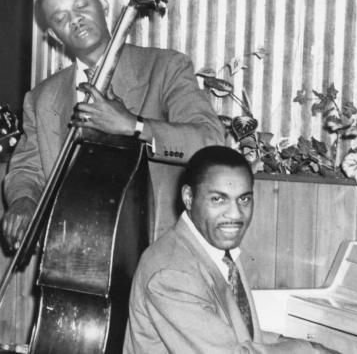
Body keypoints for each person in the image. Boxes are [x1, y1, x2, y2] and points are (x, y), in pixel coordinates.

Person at [1, 0, 224, 247]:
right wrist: (24, 200)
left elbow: (211, 141)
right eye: (60, 18)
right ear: (54, 36)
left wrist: (135, 126)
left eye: (81, 6)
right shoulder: (41, 98)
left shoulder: (165, 68)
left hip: (158, 248)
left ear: (104, 5)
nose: (75, 20)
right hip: (73, 252)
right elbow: (26, 168)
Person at [123, 146, 337, 353]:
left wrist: (293, 343)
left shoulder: (215, 250)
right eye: (218, 199)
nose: (235, 215)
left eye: (244, 199)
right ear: (189, 197)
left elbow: (238, 336)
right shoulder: (171, 274)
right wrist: (310, 350)